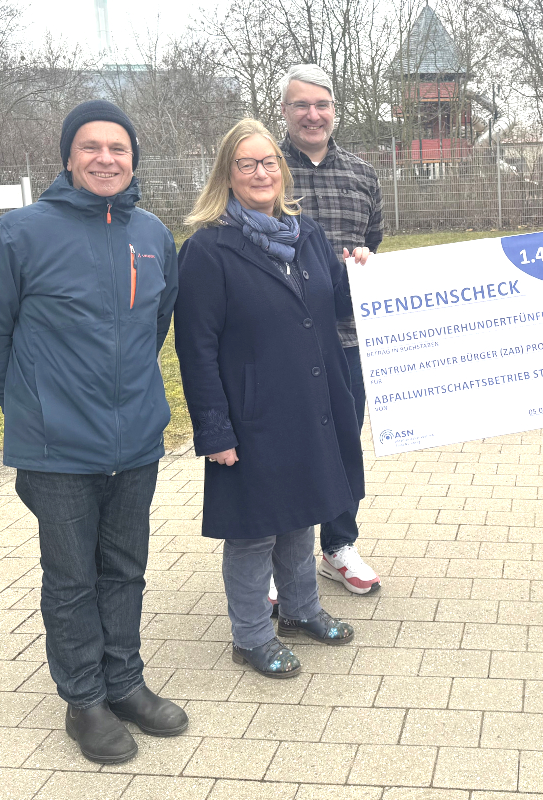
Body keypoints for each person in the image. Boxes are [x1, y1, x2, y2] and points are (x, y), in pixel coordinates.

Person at [0, 100, 187, 764]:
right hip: (57, 448)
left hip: (137, 442)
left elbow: (156, 328)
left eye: (117, 148)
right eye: (90, 147)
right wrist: (32, 405)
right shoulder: (18, 235)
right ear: (67, 157)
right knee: (71, 579)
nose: (104, 158)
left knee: (125, 570)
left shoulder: (153, 235)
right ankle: (83, 700)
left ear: (133, 158)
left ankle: (124, 683)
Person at [175, 118, 365, 680]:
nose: (261, 173)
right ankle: (251, 635)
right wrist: (215, 432)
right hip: (251, 413)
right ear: (226, 176)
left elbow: (336, 306)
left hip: (311, 404)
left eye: (269, 163)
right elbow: (196, 348)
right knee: (253, 529)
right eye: (246, 164)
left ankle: (301, 609)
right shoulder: (208, 250)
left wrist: (364, 278)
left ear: (281, 171)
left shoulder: (305, 234)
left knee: (300, 515)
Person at [273, 63, 384, 597]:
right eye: (301, 105)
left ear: (335, 110)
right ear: (286, 111)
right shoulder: (263, 168)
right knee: (284, 444)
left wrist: (365, 258)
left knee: (344, 442)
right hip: (279, 339)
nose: (312, 115)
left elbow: (374, 241)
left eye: (322, 105)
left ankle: (338, 543)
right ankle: (276, 557)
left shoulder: (363, 173)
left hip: (348, 339)